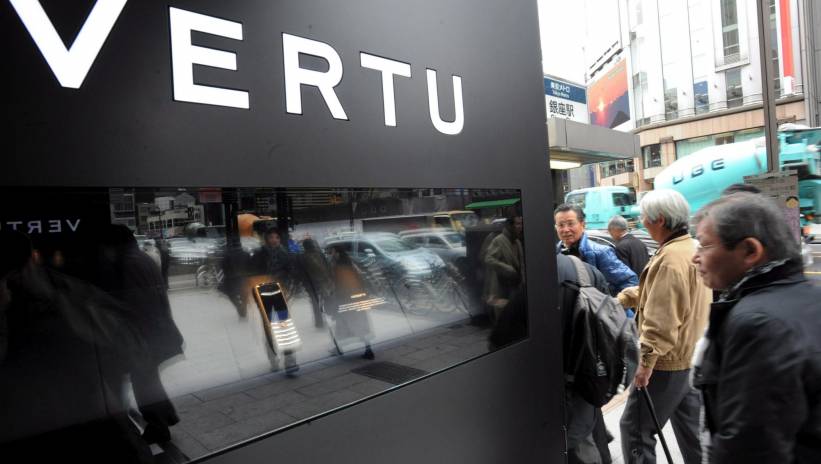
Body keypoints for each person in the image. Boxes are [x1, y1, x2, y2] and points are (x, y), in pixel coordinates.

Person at [691, 192, 821, 463]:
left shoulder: (757, 324)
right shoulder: (809, 296)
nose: (695, 257)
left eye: (704, 245)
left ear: (750, 251)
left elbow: (750, 446)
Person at [616, 189, 710, 464]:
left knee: (635, 429)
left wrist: (645, 364)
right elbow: (659, 292)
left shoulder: (669, 259)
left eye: (644, 217)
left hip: (666, 363)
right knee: (692, 432)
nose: (642, 222)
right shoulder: (690, 247)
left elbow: (662, 319)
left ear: (659, 219)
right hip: (689, 355)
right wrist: (622, 299)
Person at [556, 253, 613, 464]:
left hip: (562, 382)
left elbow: (501, 335)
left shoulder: (530, 278)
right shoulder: (586, 270)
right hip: (590, 374)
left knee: (577, 441)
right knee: (590, 424)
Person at [555, 204, 638, 295]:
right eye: (561, 225)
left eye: (570, 224)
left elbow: (630, 282)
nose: (566, 229)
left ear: (583, 225)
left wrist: (608, 301)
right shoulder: (555, 254)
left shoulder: (600, 252)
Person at [482, 214, 524, 320]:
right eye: (518, 224)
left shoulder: (517, 242)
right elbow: (488, 258)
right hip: (502, 287)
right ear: (510, 226)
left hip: (515, 287)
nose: (520, 226)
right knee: (503, 317)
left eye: (521, 224)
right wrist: (506, 268)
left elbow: (521, 264)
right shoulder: (499, 240)